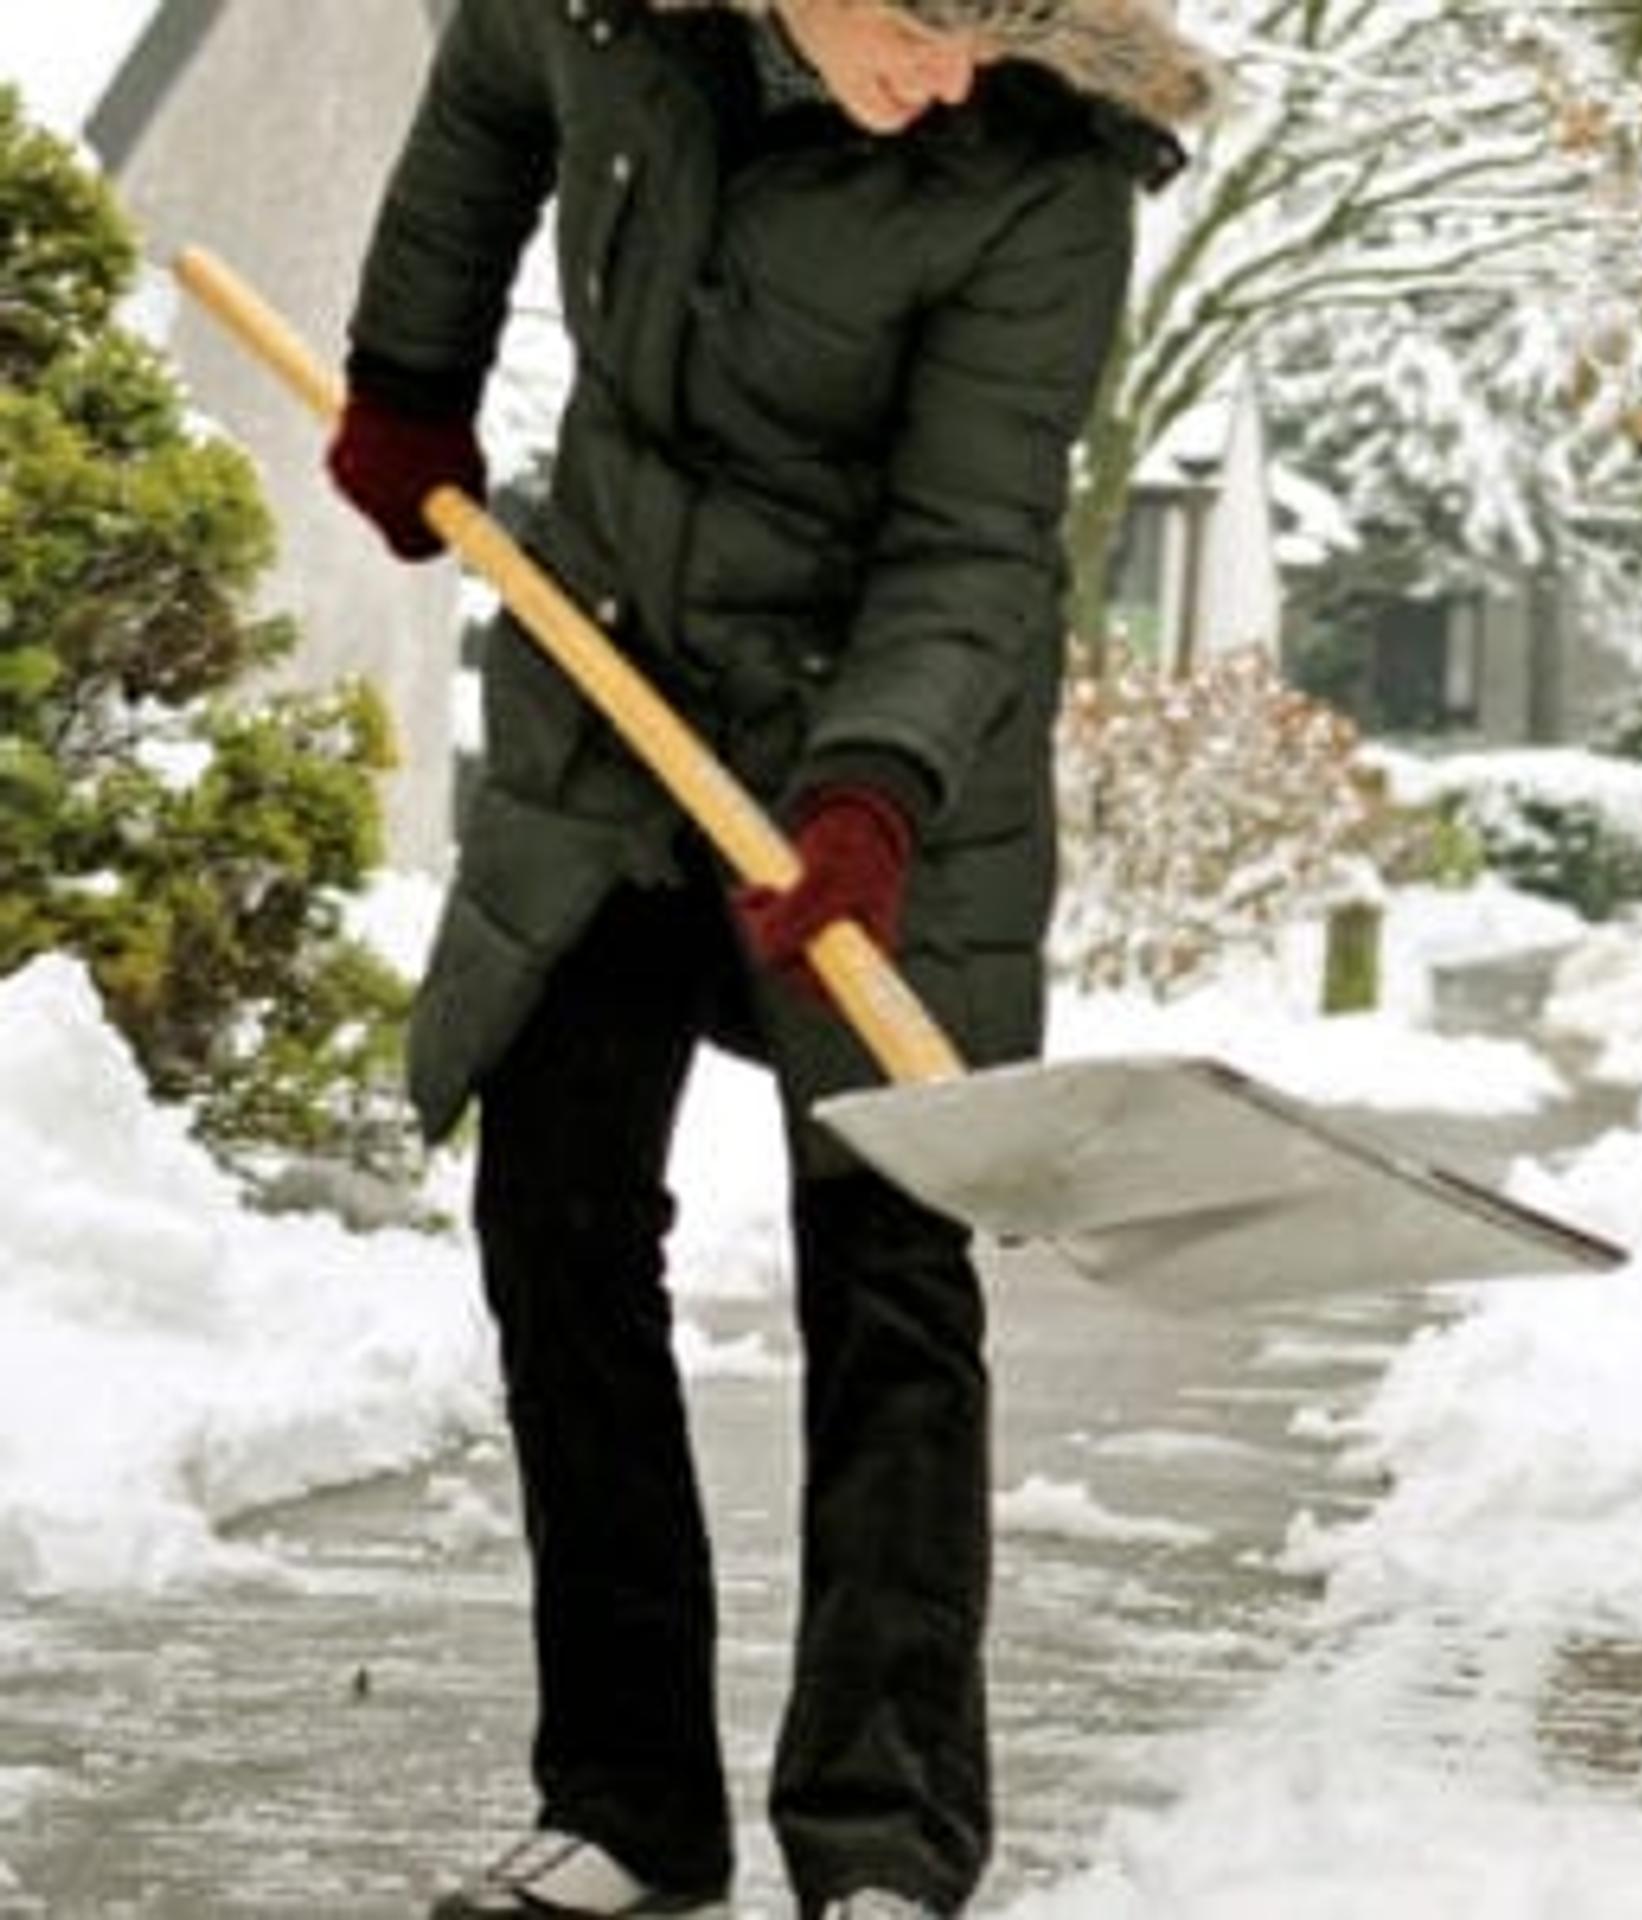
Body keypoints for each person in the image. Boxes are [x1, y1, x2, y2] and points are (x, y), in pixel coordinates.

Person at [321, 1, 1216, 1913]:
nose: (957, 76)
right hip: (614, 683)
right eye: (925, 24)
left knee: (889, 1266)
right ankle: (629, 1807)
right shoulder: (606, 18)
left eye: (1002, 33)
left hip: (893, 764)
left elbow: (977, 542)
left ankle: (882, 1841)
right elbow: (487, 87)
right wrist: (415, 366)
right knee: (554, 1207)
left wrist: (876, 788)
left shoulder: (1049, 170)